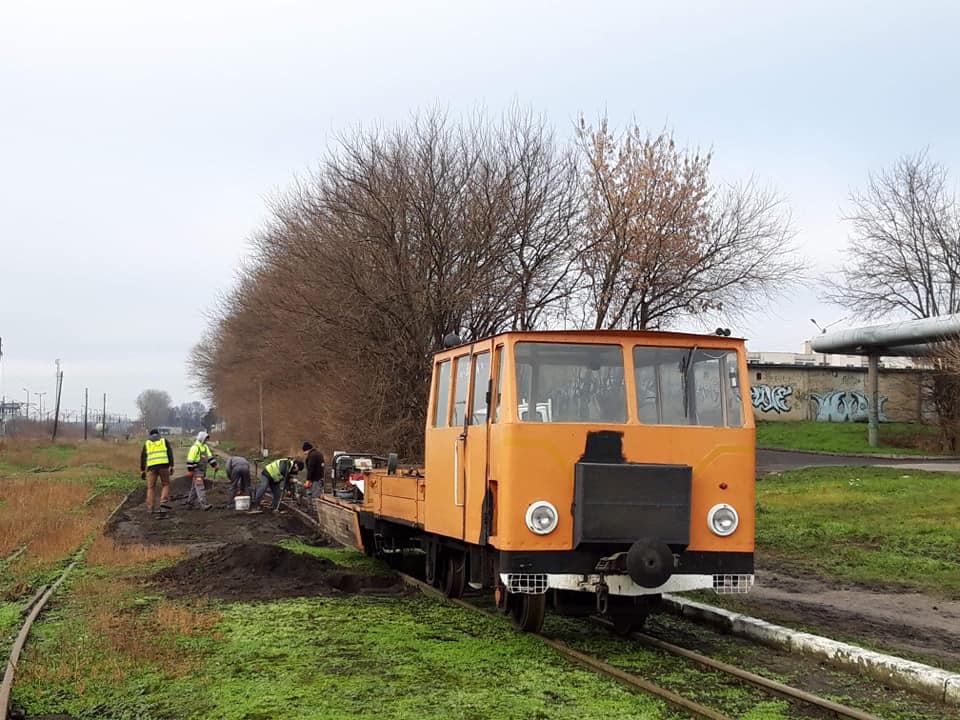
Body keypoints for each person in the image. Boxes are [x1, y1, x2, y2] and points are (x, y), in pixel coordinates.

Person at [140, 428, 174, 514]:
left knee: (151, 487)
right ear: (158, 434)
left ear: (150, 435)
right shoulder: (164, 441)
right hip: (163, 466)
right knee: (165, 484)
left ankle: (150, 508)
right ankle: (163, 502)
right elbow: (169, 453)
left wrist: (142, 470)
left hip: (151, 467)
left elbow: (143, 457)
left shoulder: (147, 443)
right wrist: (171, 465)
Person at [185, 430, 218, 510]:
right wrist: (190, 470)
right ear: (201, 438)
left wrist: (214, 465)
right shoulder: (195, 447)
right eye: (205, 439)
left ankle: (190, 503)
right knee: (200, 487)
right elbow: (190, 459)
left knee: (195, 488)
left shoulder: (205, 447)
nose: (206, 440)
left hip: (202, 470)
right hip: (196, 470)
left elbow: (210, 457)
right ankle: (204, 504)